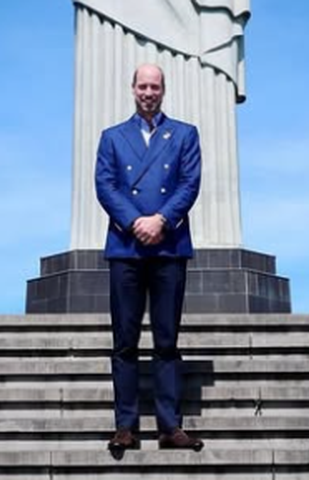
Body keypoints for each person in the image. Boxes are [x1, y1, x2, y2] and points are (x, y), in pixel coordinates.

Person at [95, 63, 204, 453]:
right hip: (126, 247)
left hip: (169, 245)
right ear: (132, 89)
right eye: (142, 85)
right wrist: (135, 221)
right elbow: (105, 185)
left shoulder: (185, 134)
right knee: (124, 341)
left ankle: (169, 426)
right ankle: (125, 426)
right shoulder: (112, 137)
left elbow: (190, 183)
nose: (148, 92)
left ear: (163, 90)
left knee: (166, 340)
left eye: (154, 86)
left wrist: (161, 219)